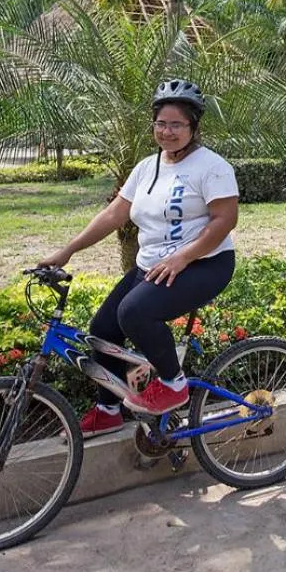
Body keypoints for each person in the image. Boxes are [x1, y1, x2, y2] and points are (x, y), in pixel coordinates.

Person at [39, 79, 239, 433]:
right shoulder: (147, 167)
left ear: (194, 126)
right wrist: (67, 250)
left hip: (205, 264)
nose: (167, 131)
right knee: (103, 328)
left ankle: (174, 385)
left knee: (134, 313)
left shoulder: (212, 166)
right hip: (152, 266)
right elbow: (114, 214)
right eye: (161, 123)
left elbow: (225, 220)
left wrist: (183, 257)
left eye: (177, 124)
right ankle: (110, 407)